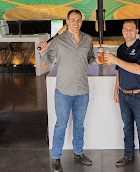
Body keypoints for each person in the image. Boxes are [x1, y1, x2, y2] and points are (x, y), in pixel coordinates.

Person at [38, 9, 102, 172]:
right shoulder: (58, 41)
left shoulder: (87, 39)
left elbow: (89, 59)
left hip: (82, 90)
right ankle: (56, 157)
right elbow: (47, 61)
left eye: (79, 20)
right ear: (67, 22)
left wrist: (98, 61)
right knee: (61, 124)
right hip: (63, 91)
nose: (76, 23)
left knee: (79, 124)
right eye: (73, 20)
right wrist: (42, 51)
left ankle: (78, 152)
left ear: (81, 21)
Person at [104, 19, 140, 172]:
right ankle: (128, 154)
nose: (129, 31)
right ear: (122, 32)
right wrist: (116, 89)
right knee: (127, 127)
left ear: (137, 31)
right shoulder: (121, 49)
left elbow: (139, 70)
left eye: (132, 28)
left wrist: (114, 59)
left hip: (139, 96)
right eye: (126, 29)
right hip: (123, 95)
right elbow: (119, 71)